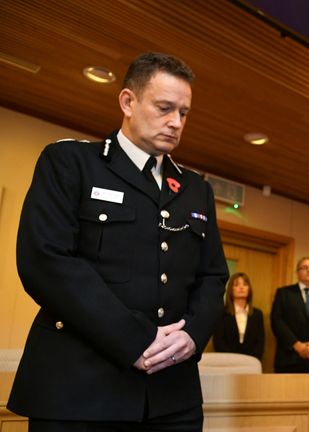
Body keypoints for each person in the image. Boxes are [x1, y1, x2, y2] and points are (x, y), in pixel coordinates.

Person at [9, 52, 229, 431]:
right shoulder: (71, 162)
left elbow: (212, 276)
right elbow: (45, 261)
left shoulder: (196, 189)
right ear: (128, 101)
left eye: (184, 113)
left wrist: (193, 335)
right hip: (79, 389)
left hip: (171, 396)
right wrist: (135, 340)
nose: (175, 122)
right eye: (164, 108)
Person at [270, 257, 309, 373]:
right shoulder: (284, 293)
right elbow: (276, 321)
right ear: (297, 272)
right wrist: (297, 345)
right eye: (304, 268)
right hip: (288, 358)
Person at [213, 272, 265, 359]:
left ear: (249, 289)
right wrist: (234, 360)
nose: (241, 287)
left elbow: (260, 343)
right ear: (231, 289)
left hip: (251, 363)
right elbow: (218, 342)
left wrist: (250, 360)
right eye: (236, 285)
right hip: (226, 362)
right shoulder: (221, 313)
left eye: (245, 284)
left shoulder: (257, 314)